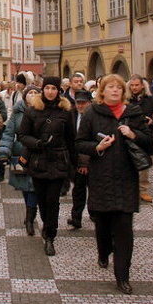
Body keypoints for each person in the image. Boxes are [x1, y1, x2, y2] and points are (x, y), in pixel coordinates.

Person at [76, 74, 152, 295]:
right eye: (111, 87)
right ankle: (103, 251)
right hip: (101, 177)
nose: (115, 90)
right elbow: (80, 143)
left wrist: (133, 134)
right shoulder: (92, 113)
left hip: (127, 178)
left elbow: (149, 142)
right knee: (102, 222)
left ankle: (122, 276)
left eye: (119, 87)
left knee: (124, 229)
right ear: (102, 91)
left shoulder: (133, 113)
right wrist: (98, 147)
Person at [19, 76, 74, 256]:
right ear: (43, 89)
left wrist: (75, 165)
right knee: (42, 200)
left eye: (54, 88)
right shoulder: (32, 110)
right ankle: (45, 224)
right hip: (38, 160)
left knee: (53, 200)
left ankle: (50, 235)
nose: (51, 91)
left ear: (59, 91)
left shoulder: (65, 111)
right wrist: (37, 143)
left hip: (58, 160)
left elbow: (71, 139)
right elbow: (23, 135)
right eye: (48, 88)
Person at [0, 85, 41, 235]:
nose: (33, 95)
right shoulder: (17, 113)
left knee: (33, 187)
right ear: (24, 96)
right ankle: (30, 210)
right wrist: (4, 150)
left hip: (37, 154)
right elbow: (9, 133)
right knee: (25, 187)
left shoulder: (43, 112)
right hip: (21, 154)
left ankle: (30, 217)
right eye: (30, 93)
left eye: (36, 92)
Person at [126, 75, 153, 203]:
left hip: (145, 135)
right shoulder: (126, 100)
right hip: (129, 134)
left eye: (136, 85)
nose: (134, 87)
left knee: (143, 164)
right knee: (129, 163)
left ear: (142, 85)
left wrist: (152, 119)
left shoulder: (151, 99)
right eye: (132, 85)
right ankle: (130, 189)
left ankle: (143, 190)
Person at [67, 89, 93, 229]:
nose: (80, 106)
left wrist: (85, 163)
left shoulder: (94, 116)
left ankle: (94, 213)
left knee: (93, 190)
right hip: (75, 160)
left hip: (92, 161)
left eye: (83, 103)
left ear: (89, 103)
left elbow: (90, 141)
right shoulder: (71, 115)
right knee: (78, 190)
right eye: (78, 103)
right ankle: (76, 217)